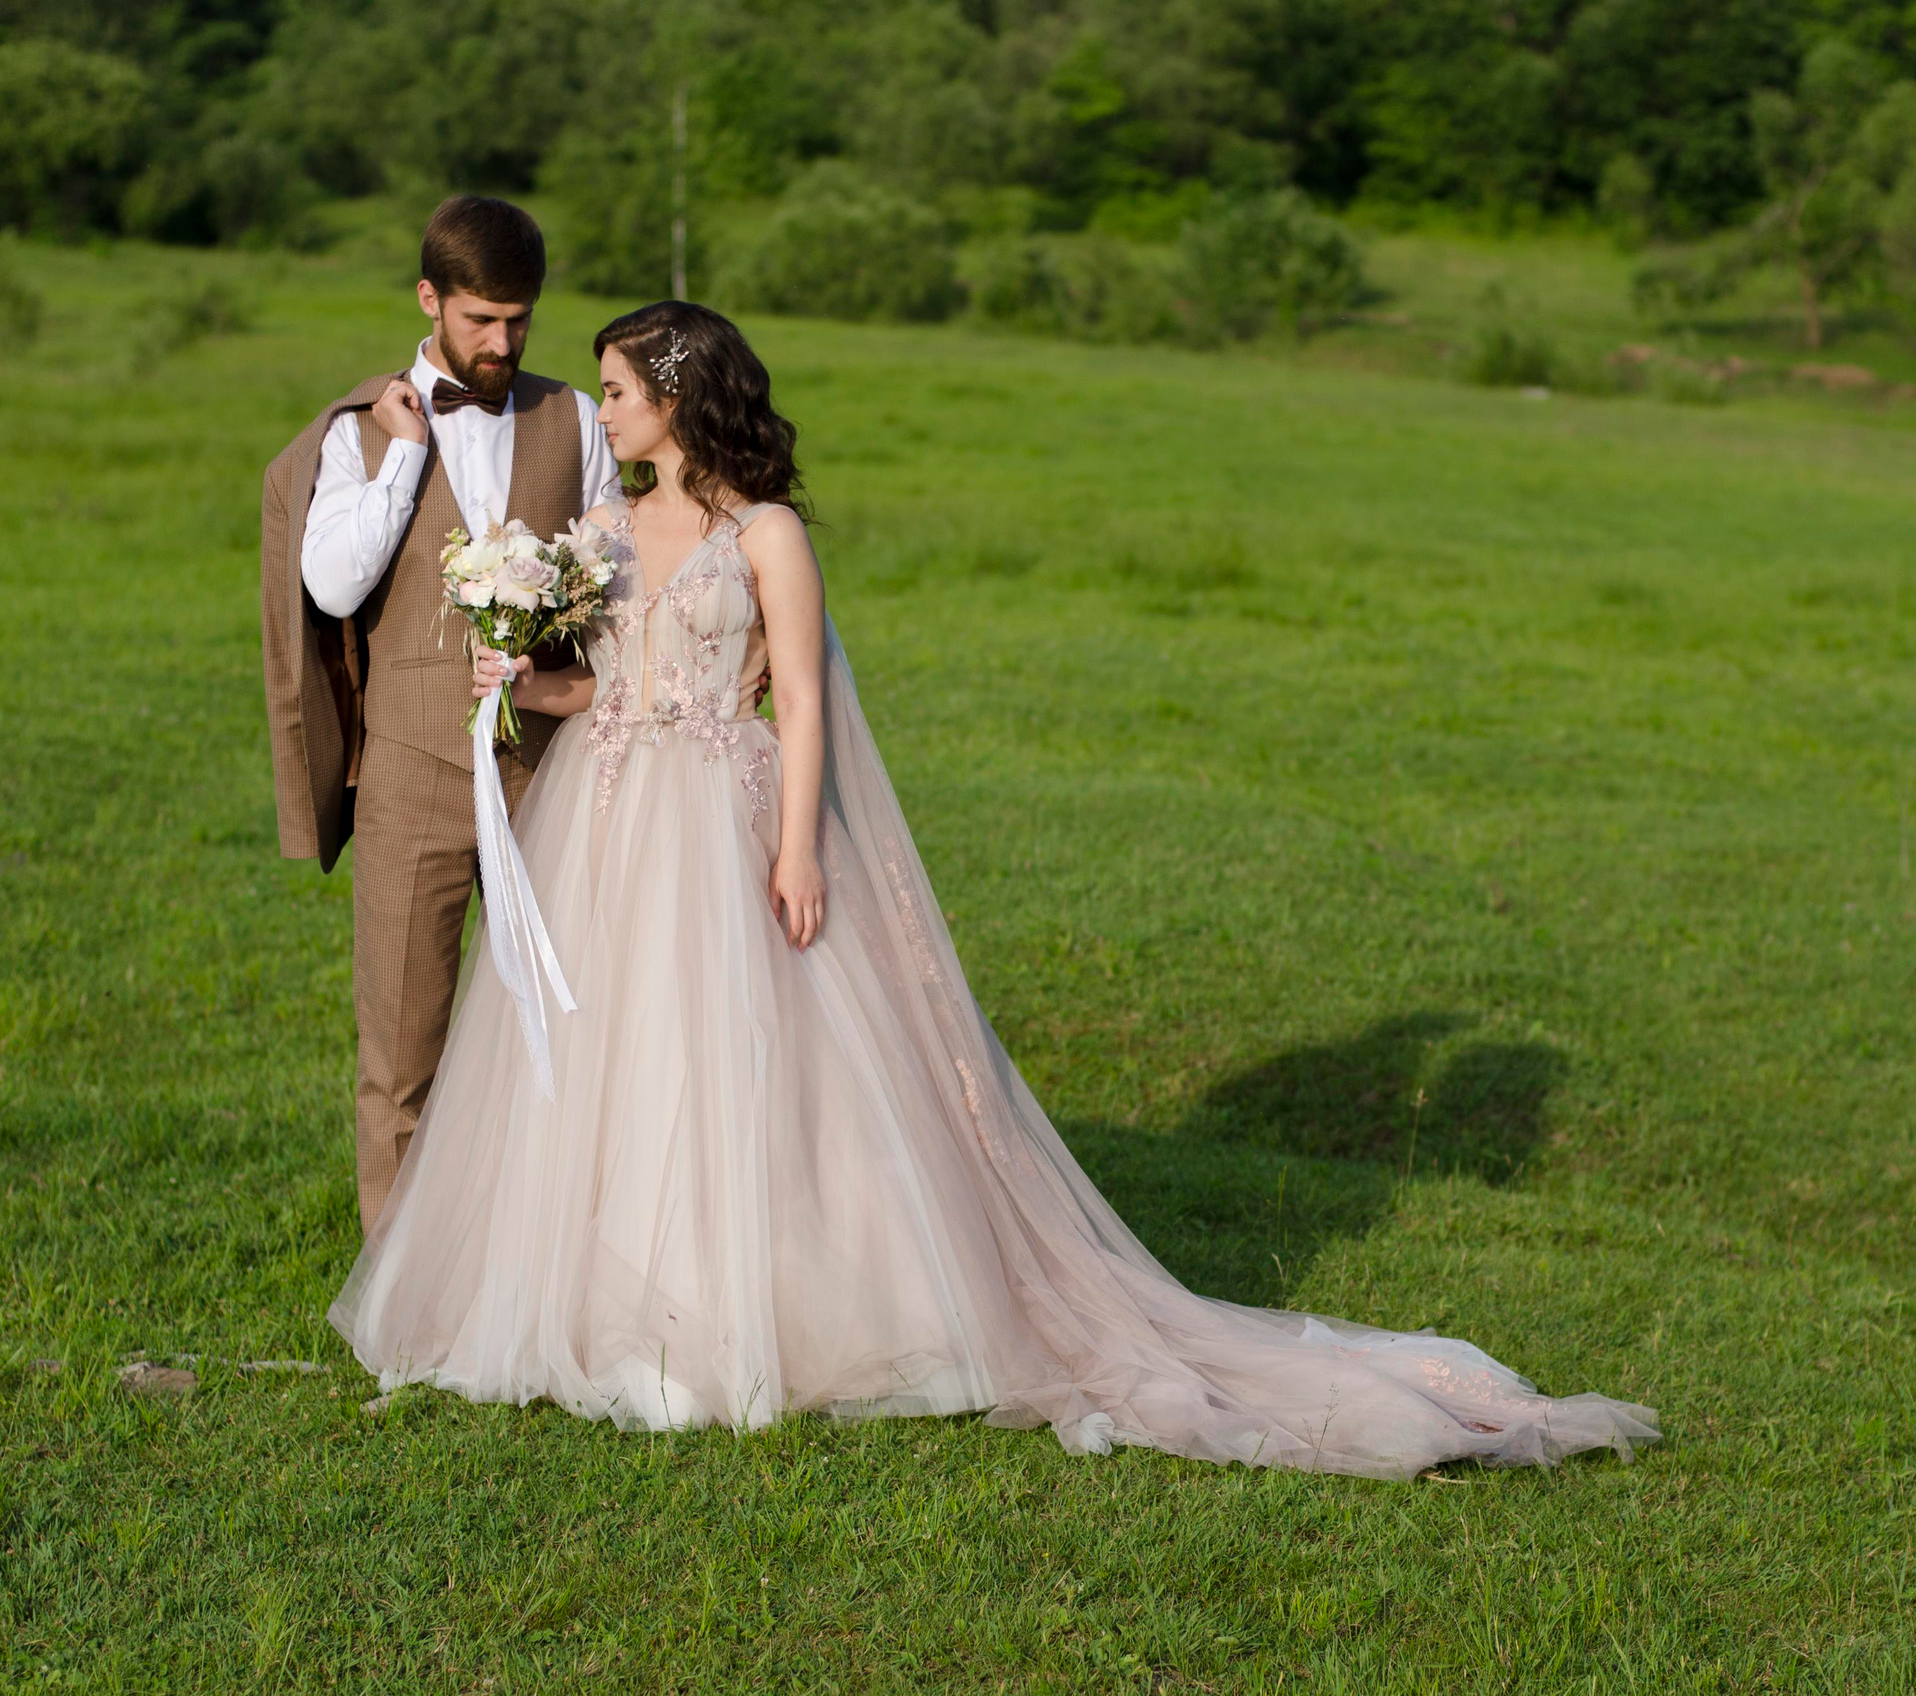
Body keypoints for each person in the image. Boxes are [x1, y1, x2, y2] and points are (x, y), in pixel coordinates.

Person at [328, 302, 1660, 1478]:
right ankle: (601, 1305)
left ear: (680, 397)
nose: (598, 408)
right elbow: (606, 682)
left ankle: (746, 1316)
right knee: (614, 1062)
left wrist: (797, 851)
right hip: (606, 821)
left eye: (618, 389)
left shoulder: (768, 533)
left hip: (721, 817)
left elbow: (801, 708)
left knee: (730, 1062)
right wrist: (526, 678)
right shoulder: (608, 524)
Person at [258, 196, 622, 1233]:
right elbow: (330, 586)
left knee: (558, 1024)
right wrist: (405, 451)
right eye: (479, 320)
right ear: (429, 301)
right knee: (402, 1046)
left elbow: (614, 571)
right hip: (411, 773)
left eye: (519, 321)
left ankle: (546, 1261)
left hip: (548, 767)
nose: (502, 343)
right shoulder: (357, 431)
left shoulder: (577, 419)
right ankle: (401, 1283)